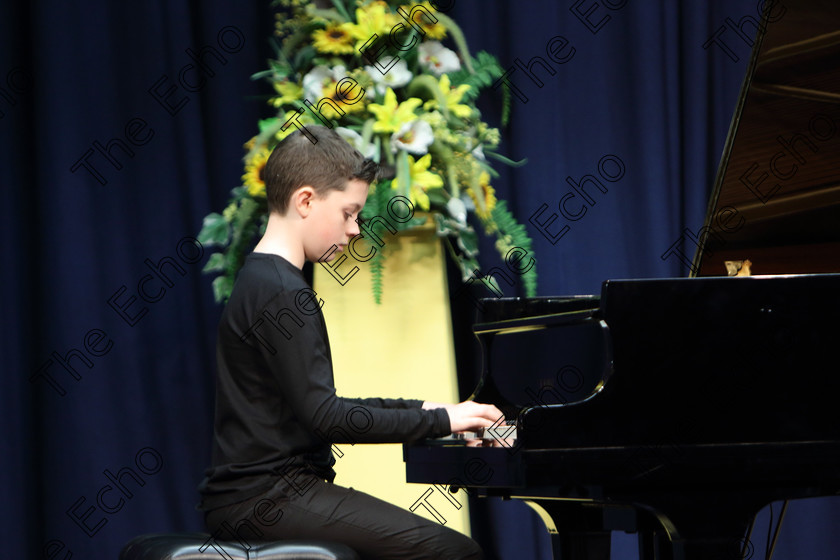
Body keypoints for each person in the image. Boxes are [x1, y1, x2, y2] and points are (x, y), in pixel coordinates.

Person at [197, 125, 503, 559]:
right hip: (266, 499)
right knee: (455, 552)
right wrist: (441, 422)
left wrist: (433, 411)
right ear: (305, 201)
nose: (356, 228)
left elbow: (321, 405)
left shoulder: (265, 279)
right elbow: (330, 418)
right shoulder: (282, 291)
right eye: (348, 212)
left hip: (263, 495)